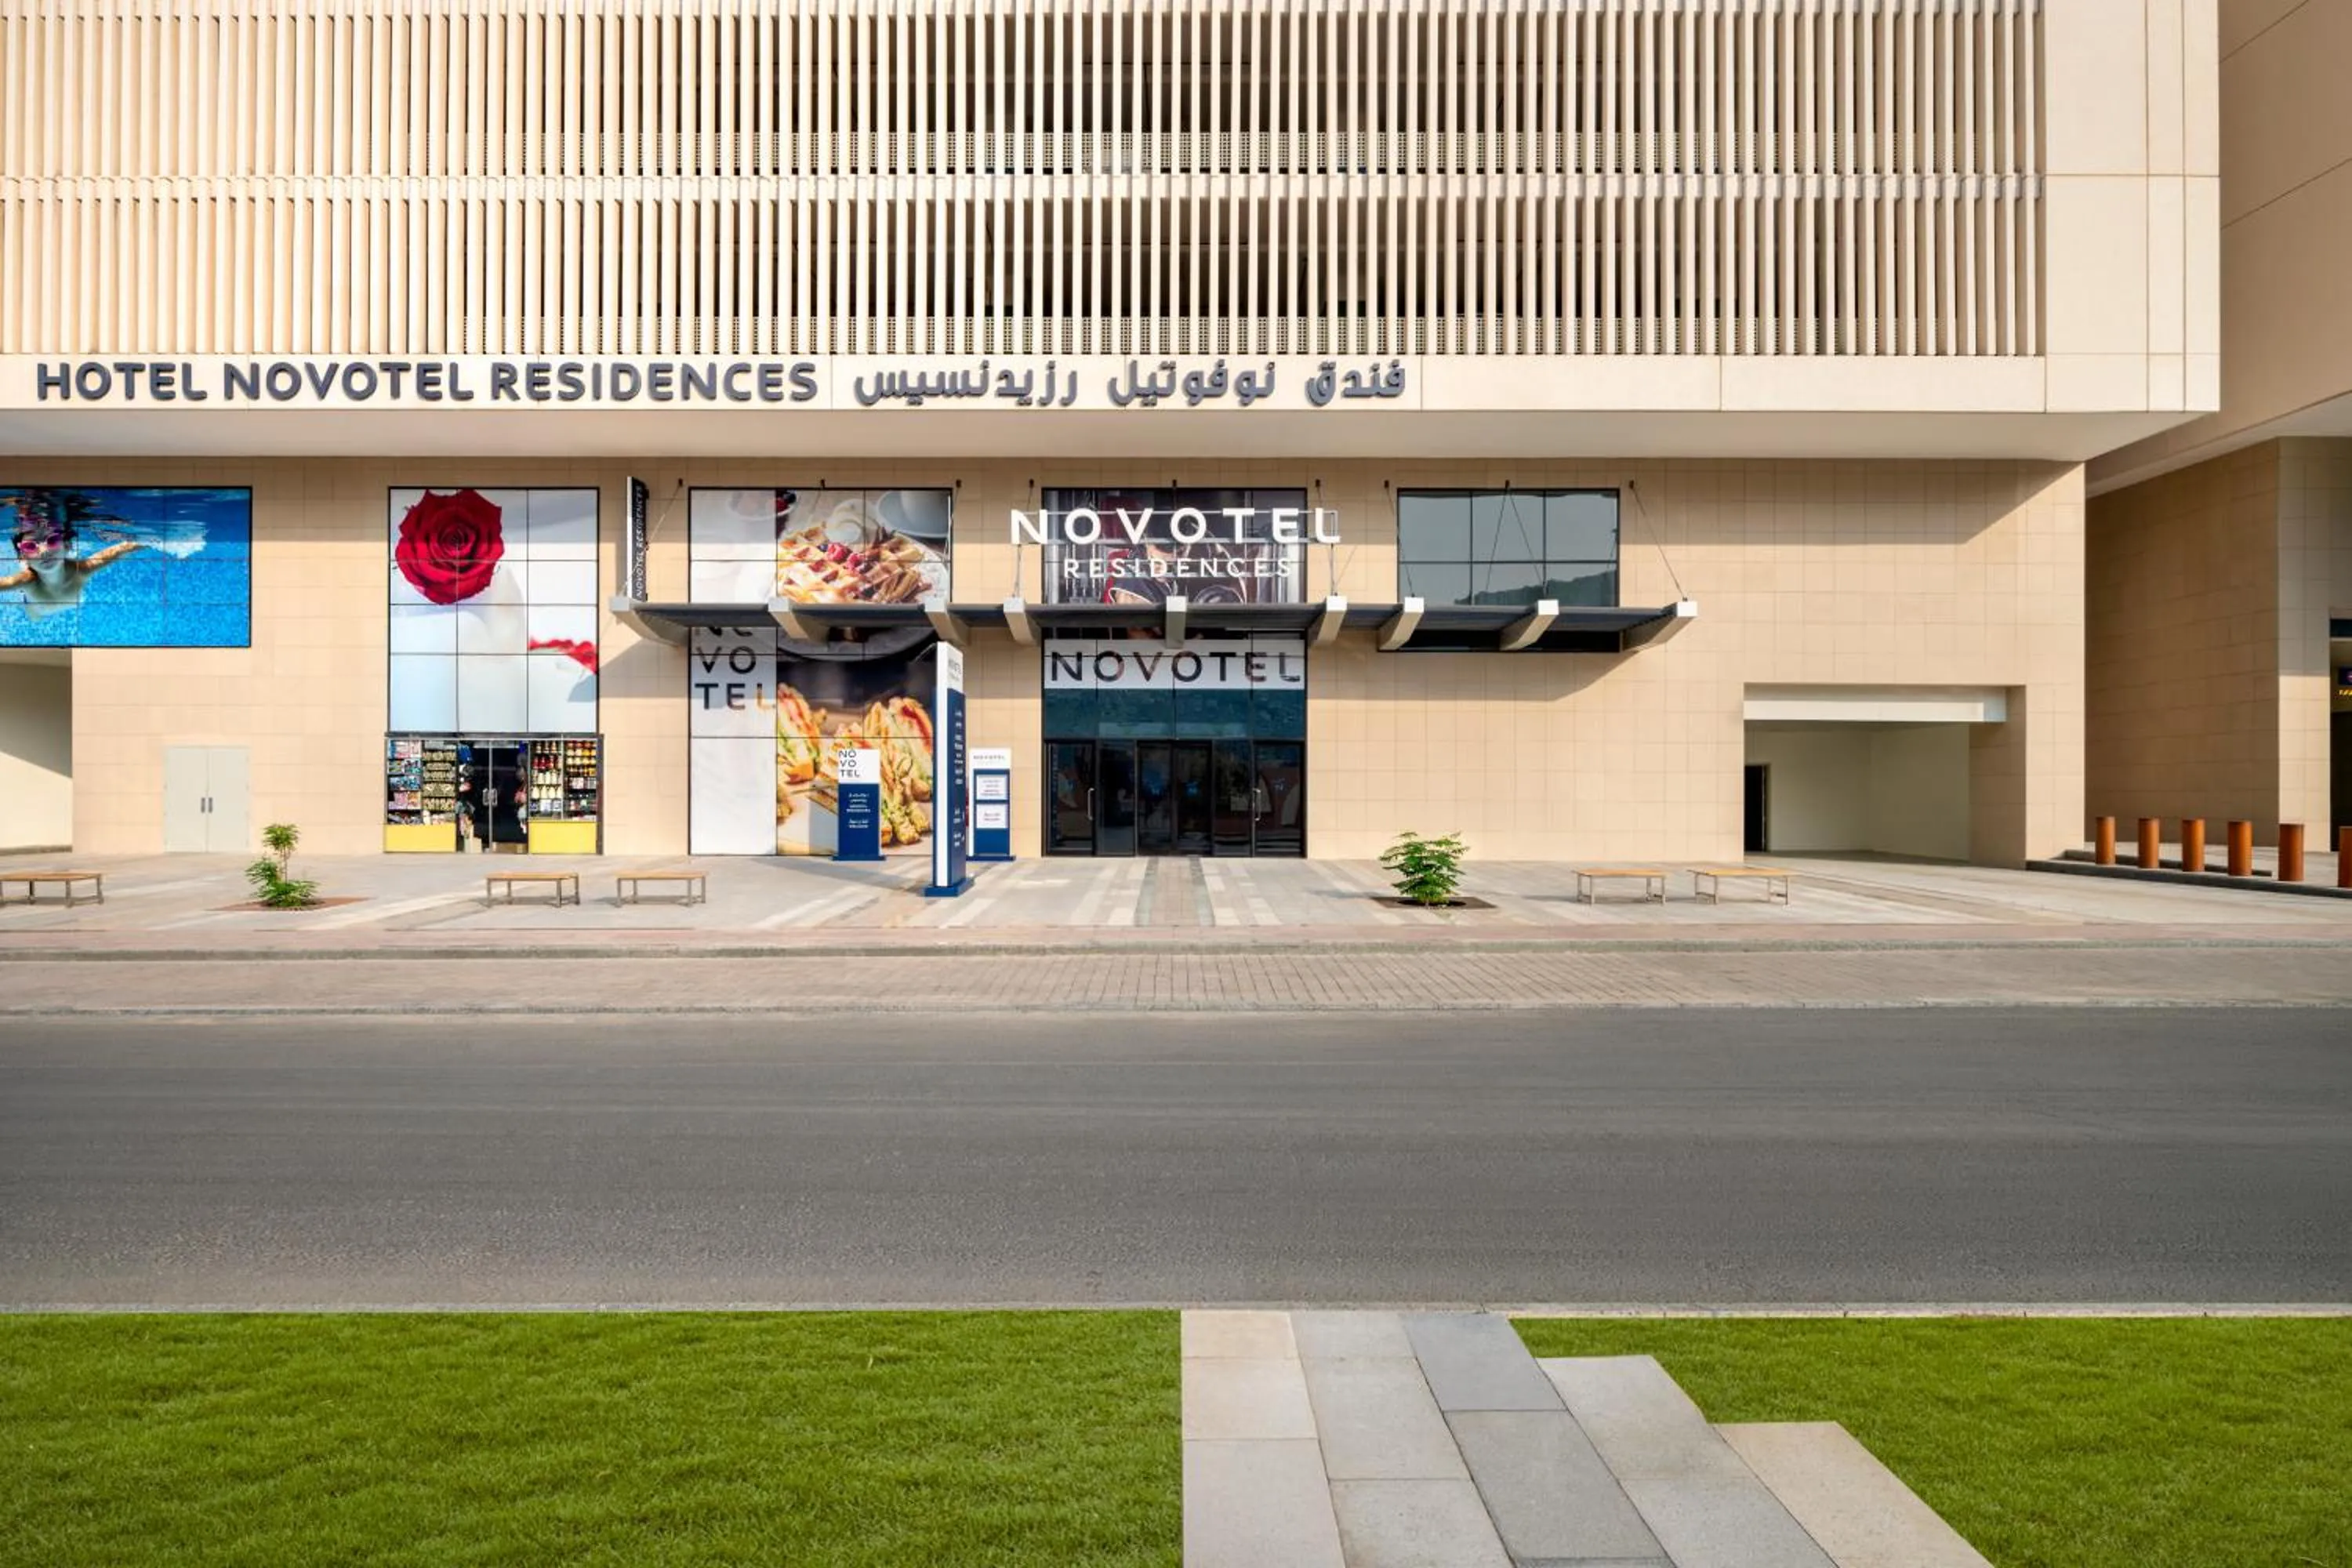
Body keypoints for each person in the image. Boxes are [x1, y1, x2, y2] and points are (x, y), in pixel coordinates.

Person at [0, 492, 143, 620]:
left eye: (53, 540)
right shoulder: (27, 581)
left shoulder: (81, 570)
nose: (43, 551)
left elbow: (121, 549)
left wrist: (158, 542)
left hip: (60, 598)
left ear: (68, 546)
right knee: (35, 617)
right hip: (36, 608)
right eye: (31, 546)